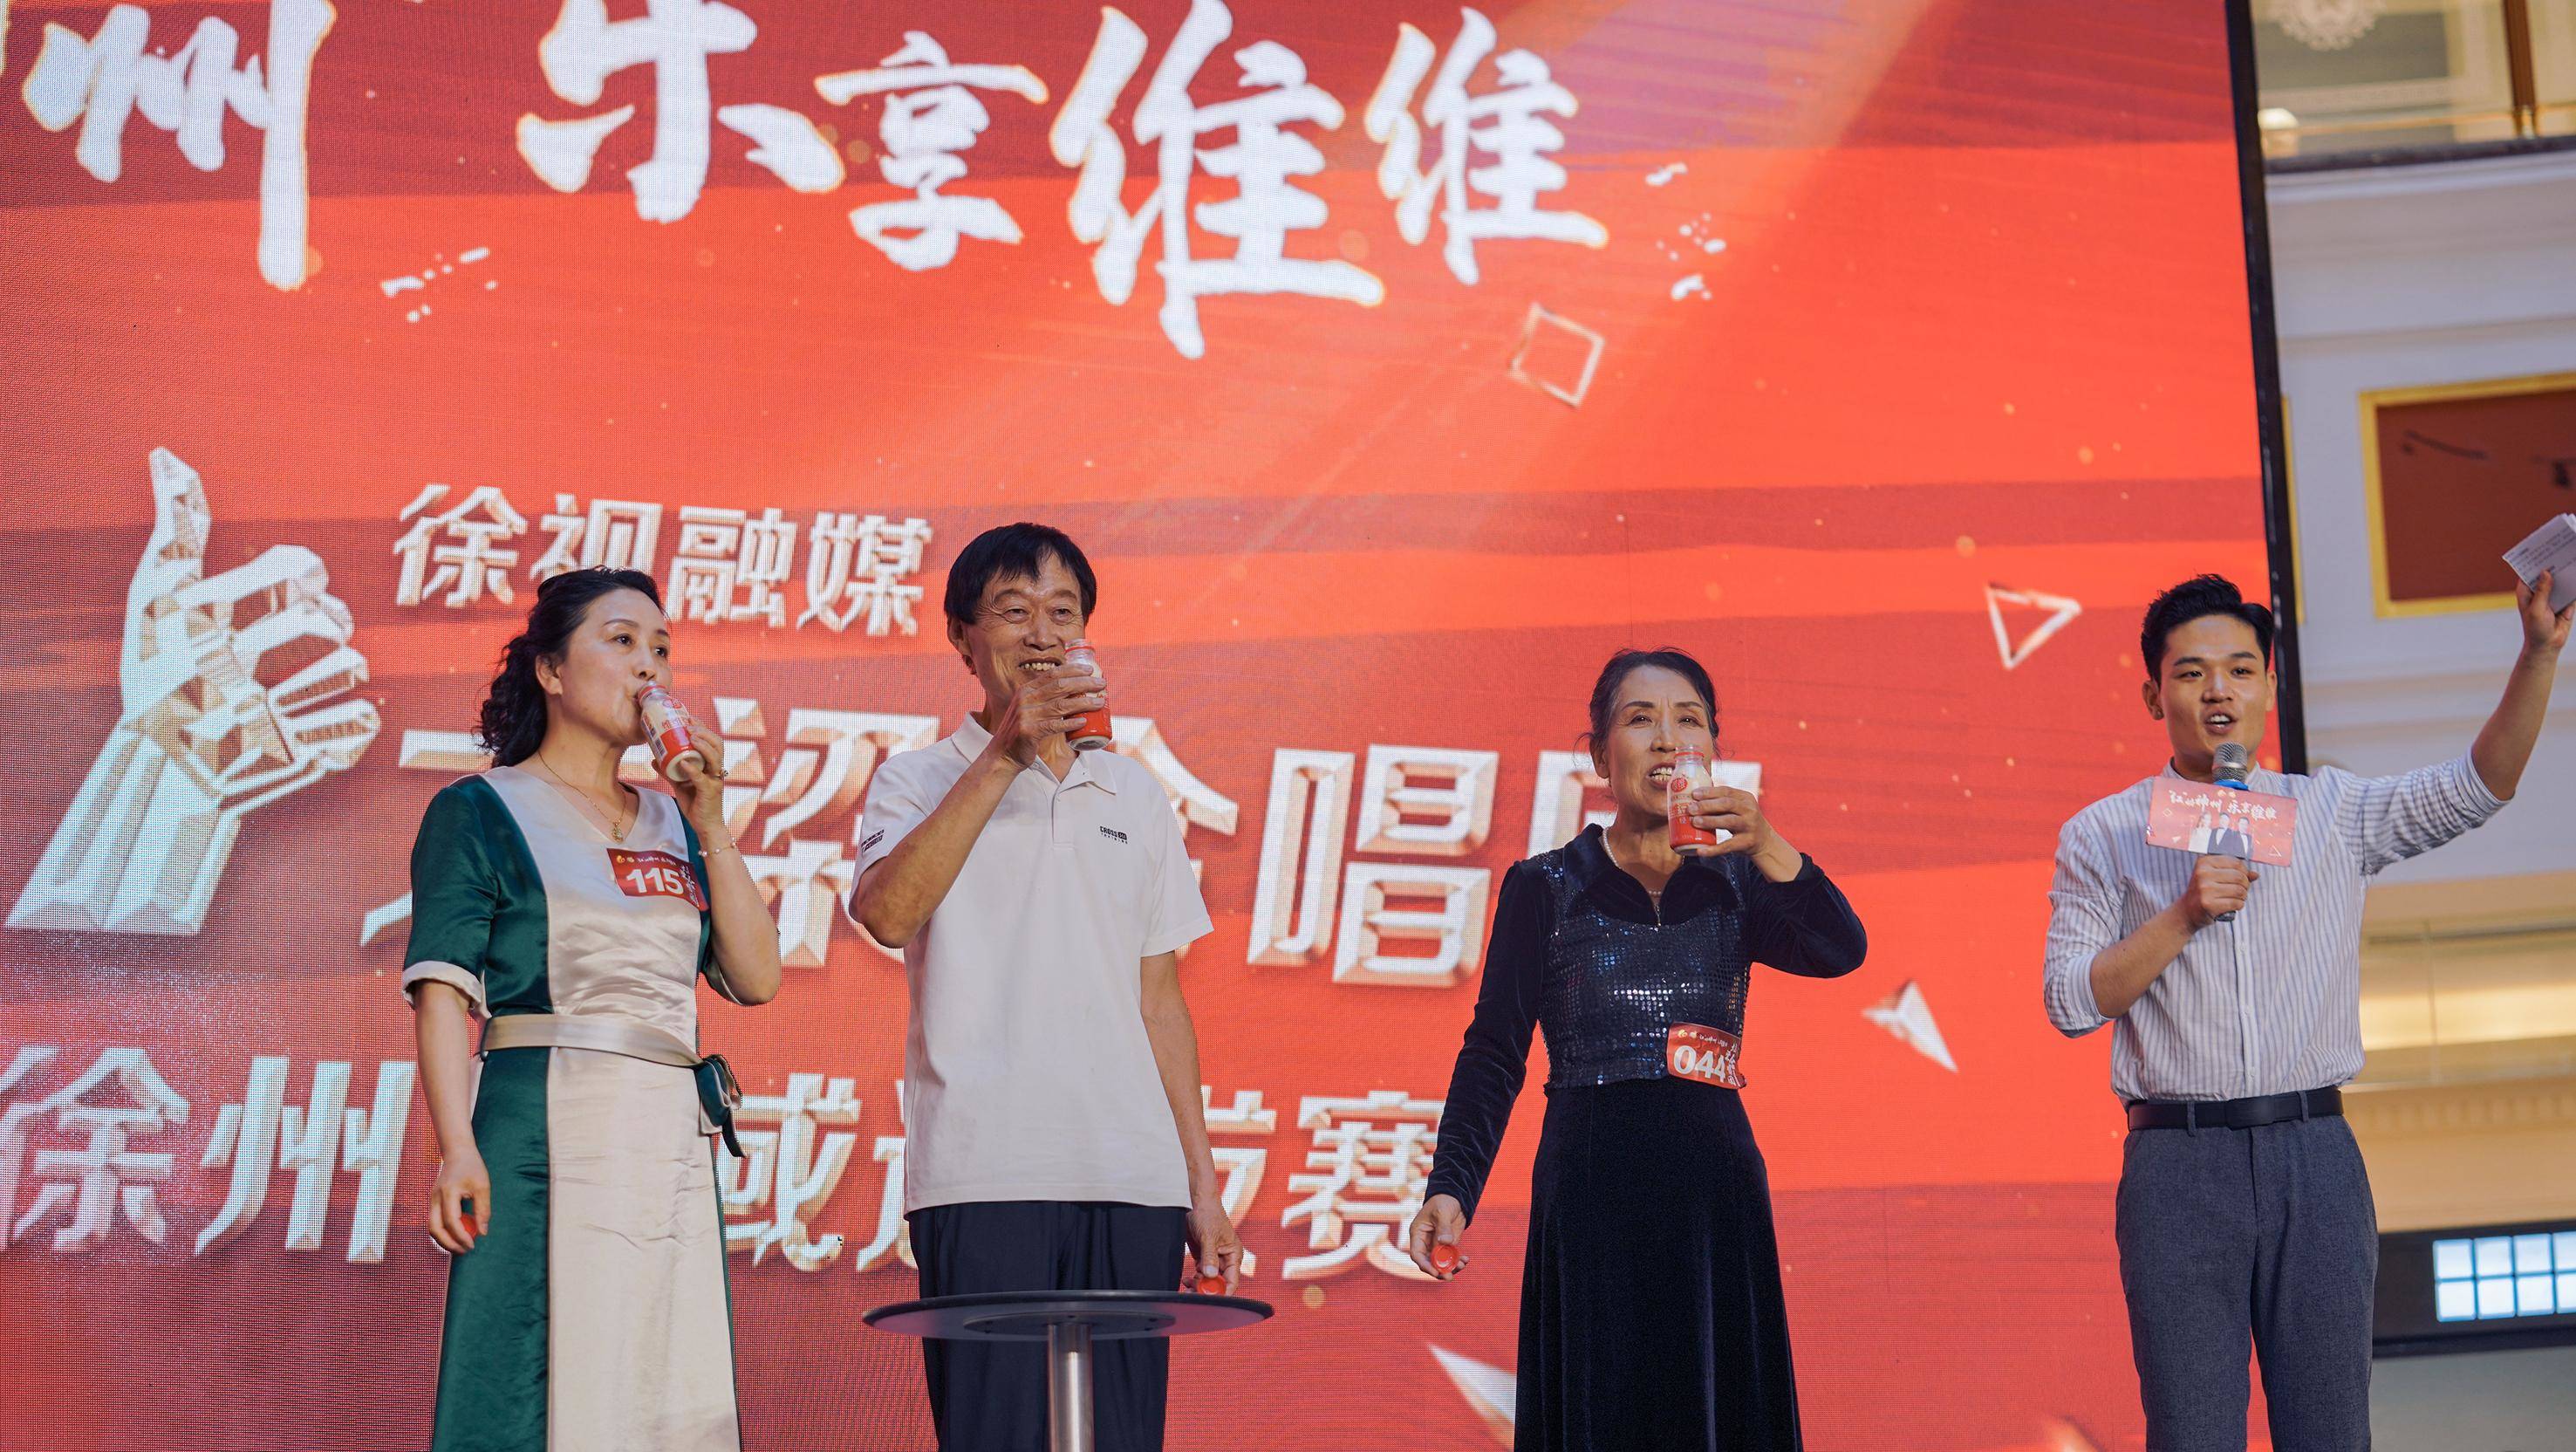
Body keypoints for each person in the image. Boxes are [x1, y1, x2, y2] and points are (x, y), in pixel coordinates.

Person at [2043, 570, 2569, 1452]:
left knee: (2330, 1431)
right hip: (2176, 1165)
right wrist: (2181, 915)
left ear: (2266, 687)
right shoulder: (2103, 832)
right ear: (2153, 696)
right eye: (2191, 672)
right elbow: (2067, 1001)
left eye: (2240, 669)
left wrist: (2537, 654)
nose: (2218, 690)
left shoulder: (2330, 812)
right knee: (2192, 1433)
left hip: (2314, 1156)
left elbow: (2478, 786)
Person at [1403, 647, 1869, 1452]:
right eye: (1639, 719)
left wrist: (1767, 844)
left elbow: (1840, 950)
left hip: (1715, 1197)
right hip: (1593, 1195)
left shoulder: (1738, 883)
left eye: (1688, 721)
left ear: (1712, 749)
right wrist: (1451, 1185)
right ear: (1597, 756)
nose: (1666, 739)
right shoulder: (1546, 885)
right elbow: (1494, 1051)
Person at [844, 523, 1241, 1452]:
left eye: (1063, 612)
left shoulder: (1134, 794)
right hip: (985, 1171)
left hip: (1132, 1179)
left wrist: (1201, 1183)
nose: (1042, 633)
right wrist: (1006, 753)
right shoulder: (915, 780)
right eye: (1013, 610)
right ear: (962, 637)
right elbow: (888, 913)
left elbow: (1160, 1001)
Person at [404, 566, 782, 1452]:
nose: (649, 667)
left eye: (661, 648)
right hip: (540, 1122)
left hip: (666, 1132)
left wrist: (711, 819)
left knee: (664, 1370)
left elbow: (756, 977)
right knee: (531, 1374)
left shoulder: (675, 821)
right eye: (620, 641)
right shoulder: (482, 809)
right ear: (550, 670)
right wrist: (457, 1146)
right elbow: (442, 989)